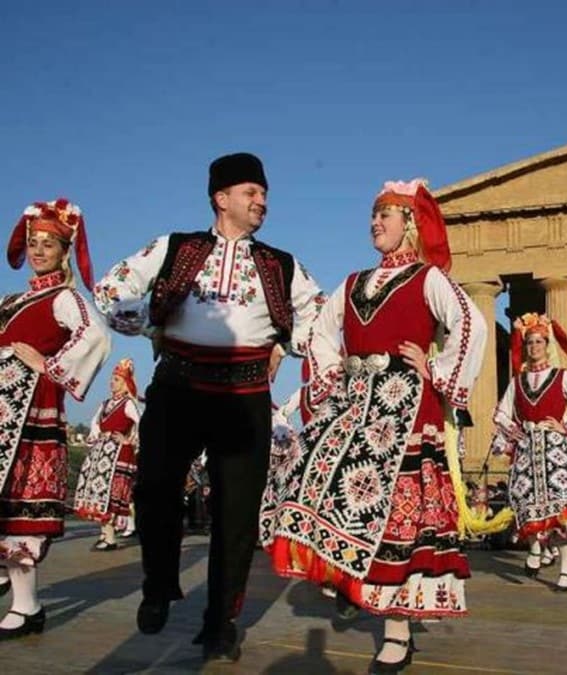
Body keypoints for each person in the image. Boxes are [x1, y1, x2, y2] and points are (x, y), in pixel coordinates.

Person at [93, 153, 324, 661]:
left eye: (263, 194)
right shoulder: (175, 247)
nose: (261, 201)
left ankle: (220, 622)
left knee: (236, 515)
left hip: (245, 395)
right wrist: (150, 317)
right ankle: (158, 584)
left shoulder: (281, 263)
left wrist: (291, 342)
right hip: (178, 384)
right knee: (154, 487)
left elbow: (320, 317)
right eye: (251, 193)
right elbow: (110, 289)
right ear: (221, 198)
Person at [260, 178, 486, 674]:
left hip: (406, 403)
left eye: (385, 214)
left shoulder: (428, 279)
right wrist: (332, 372)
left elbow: (471, 325)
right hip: (355, 402)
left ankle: (398, 633)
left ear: (409, 225)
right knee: (312, 480)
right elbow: (321, 332)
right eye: (373, 214)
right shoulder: (353, 282)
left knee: (398, 521)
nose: (374, 222)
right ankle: (343, 578)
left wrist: (438, 371)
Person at [0, 198, 110, 638]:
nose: (39, 250)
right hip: (4, 417)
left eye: (48, 244)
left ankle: (28, 606)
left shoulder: (64, 298)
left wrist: (49, 365)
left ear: (64, 251)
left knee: (21, 511)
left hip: (31, 416)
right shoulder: (12, 300)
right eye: (33, 243)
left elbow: (96, 337)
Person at [491, 312, 567, 590]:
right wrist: (514, 432)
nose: (534, 347)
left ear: (547, 345)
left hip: (557, 454)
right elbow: (501, 413)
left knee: (563, 511)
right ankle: (536, 549)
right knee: (527, 507)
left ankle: (566, 571)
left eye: (539, 341)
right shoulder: (517, 382)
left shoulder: (562, 376)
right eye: (530, 342)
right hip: (528, 451)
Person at [73, 358, 142, 551]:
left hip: (117, 453)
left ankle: (110, 537)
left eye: (117, 380)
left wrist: (130, 441)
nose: (112, 383)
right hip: (101, 452)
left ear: (126, 384)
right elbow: (95, 424)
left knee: (110, 493)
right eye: (112, 379)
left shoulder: (128, 403)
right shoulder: (105, 404)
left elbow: (142, 422)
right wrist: (95, 437)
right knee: (98, 492)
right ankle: (105, 534)